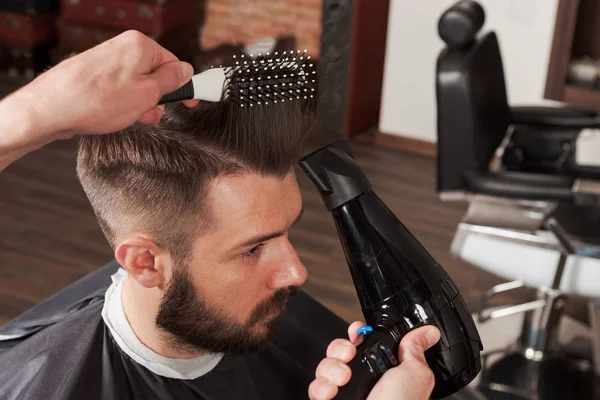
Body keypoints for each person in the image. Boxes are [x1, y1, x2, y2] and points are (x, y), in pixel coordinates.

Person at [0, 30, 441, 400]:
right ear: (145, 263)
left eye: (287, 232)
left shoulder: (261, 317)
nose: (296, 272)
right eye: (253, 249)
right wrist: (36, 111)